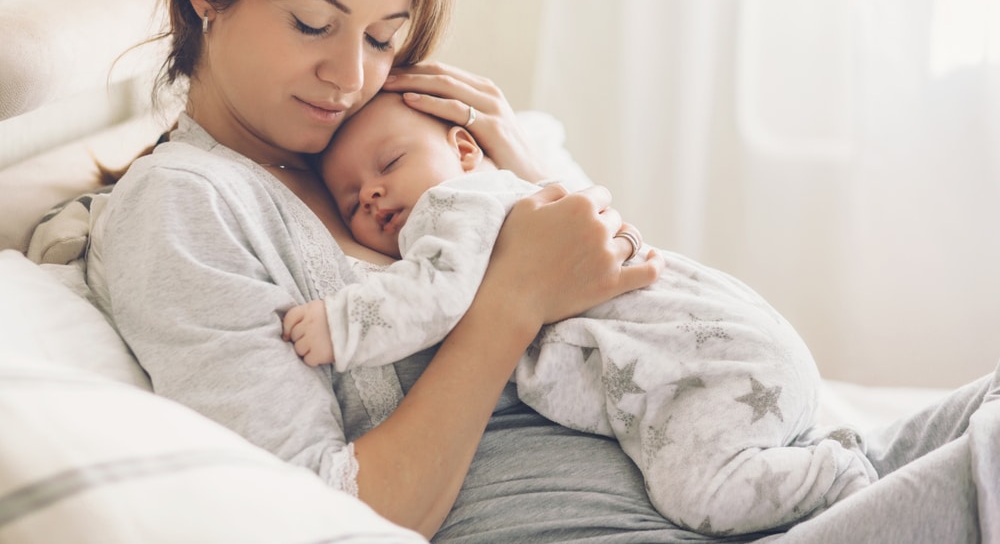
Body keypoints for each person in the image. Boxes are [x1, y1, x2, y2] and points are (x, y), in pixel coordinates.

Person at [83, 0, 999, 542]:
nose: (349, 75)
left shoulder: (352, 141)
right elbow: (328, 510)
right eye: (312, 24)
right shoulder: (184, 209)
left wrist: (520, 167)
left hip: (743, 469)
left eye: (380, 37)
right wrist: (510, 295)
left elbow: (624, 293)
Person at [281, 90, 876, 535]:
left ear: (465, 150)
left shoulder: (456, 207)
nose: (373, 195)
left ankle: (835, 477)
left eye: (388, 165)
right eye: (353, 200)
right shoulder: (518, 202)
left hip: (708, 365)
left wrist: (342, 324)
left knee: (701, 492)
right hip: (735, 352)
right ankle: (822, 453)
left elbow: (430, 297)